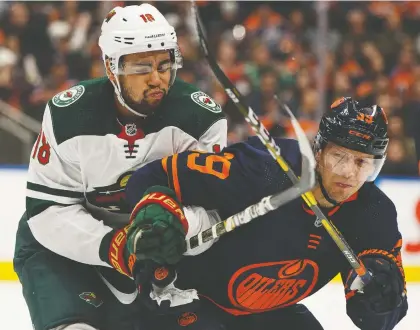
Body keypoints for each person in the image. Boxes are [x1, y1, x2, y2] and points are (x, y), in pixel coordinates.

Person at [13, 4, 227, 330]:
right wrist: (114, 246)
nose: (157, 79)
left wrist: (180, 224)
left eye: (165, 64)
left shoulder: (200, 119)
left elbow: (213, 213)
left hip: (160, 257)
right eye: (142, 67)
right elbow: (46, 211)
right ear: (112, 68)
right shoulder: (68, 117)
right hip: (67, 253)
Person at [124, 97, 408, 329]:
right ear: (319, 151)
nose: (348, 172)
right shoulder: (263, 169)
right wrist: (156, 212)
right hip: (192, 300)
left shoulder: (373, 212)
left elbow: (375, 321)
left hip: (267, 316)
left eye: (362, 162)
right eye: (339, 156)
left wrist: (381, 298)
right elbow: (152, 176)